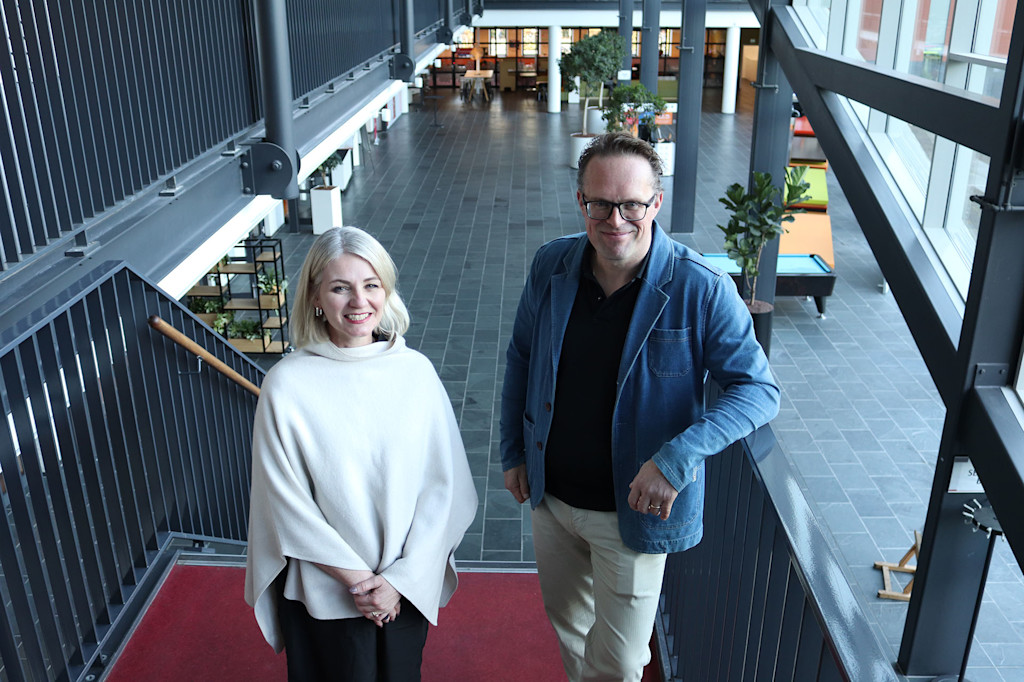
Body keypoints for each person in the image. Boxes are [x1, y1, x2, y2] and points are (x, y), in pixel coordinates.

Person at [500, 133, 780, 681]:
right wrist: (513, 450)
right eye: (600, 204)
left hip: (631, 512)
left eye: (631, 204)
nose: (615, 219)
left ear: (656, 203)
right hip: (552, 499)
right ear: (581, 201)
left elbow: (758, 390)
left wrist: (676, 459)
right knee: (570, 629)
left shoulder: (702, 287)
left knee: (622, 661)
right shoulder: (552, 264)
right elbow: (522, 357)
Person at [245, 226, 477, 681]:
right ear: (315, 296)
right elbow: (283, 502)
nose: (359, 301)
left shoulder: (416, 374)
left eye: (371, 285)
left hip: (402, 590)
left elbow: (444, 489)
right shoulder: (286, 384)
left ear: (386, 291)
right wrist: (358, 581)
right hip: (324, 594)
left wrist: (398, 581)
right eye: (340, 288)